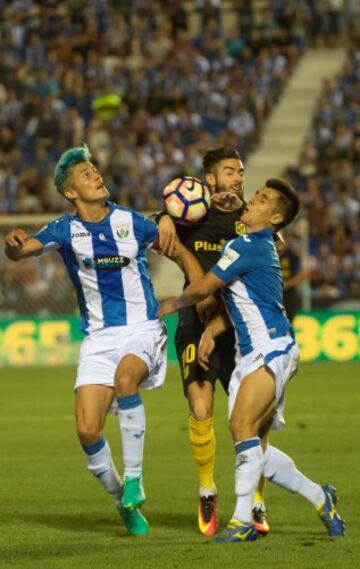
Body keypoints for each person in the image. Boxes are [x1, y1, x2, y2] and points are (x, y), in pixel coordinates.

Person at [4, 144, 202, 537]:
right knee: (87, 430)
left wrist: (193, 298)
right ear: (70, 192)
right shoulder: (65, 229)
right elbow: (25, 250)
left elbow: (180, 254)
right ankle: (123, 504)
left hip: (142, 329)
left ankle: (133, 480)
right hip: (98, 338)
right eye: (85, 174)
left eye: (95, 169)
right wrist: (13, 246)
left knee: (127, 380)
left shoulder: (133, 222)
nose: (96, 175)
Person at [159, 178, 345, 542]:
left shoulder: (246, 245)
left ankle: (243, 521)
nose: (252, 200)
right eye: (255, 195)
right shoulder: (256, 246)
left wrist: (169, 304)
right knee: (254, 443)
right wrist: (211, 332)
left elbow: (203, 288)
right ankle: (320, 497)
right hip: (257, 351)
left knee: (240, 426)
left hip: (269, 348)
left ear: (274, 216)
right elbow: (236, 301)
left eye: (260, 199)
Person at [157, 146, 269, 536]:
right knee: (200, 407)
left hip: (239, 327)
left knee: (254, 418)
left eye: (240, 171)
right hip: (194, 318)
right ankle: (207, 489)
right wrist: (161, 219)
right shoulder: (188, 216)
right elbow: (152, 227)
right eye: (228, 171)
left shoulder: (250, 221)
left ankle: (256, 499)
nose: (237, 177)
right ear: (209, 179)